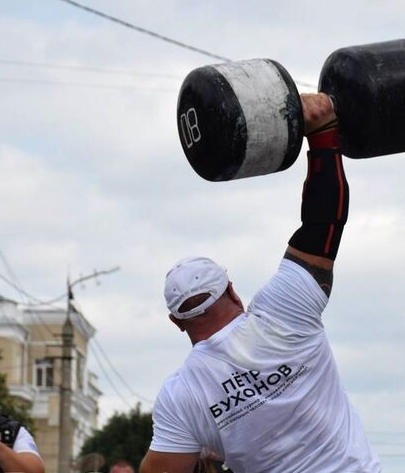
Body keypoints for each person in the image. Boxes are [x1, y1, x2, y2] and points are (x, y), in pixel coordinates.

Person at [140, 93, 380, 472]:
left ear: (177, 322)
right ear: (232, 291)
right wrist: (323, 132)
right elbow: (324, 223)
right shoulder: (281, 312)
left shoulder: (181, 396)